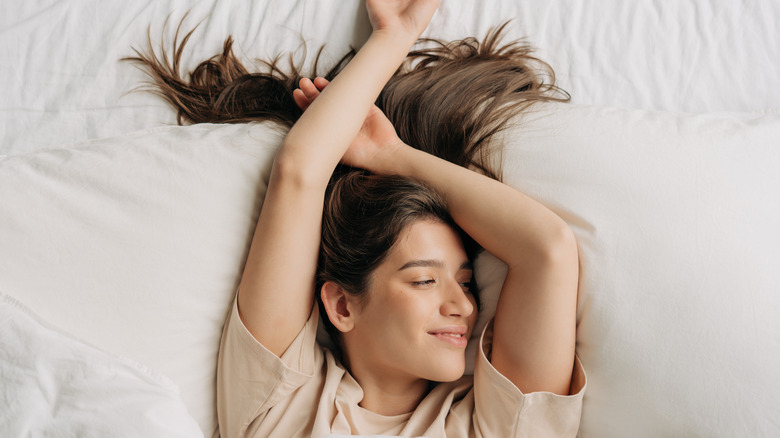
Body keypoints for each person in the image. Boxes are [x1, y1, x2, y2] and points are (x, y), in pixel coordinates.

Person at [127, 1, 585, 436]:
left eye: (466, 283)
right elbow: (299, 173)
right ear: (343, 305)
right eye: (425, 280)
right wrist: (394, 35)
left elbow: (547, 250)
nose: (463, 306)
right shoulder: (284, 410)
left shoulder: (494, 427)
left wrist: (395, 156)